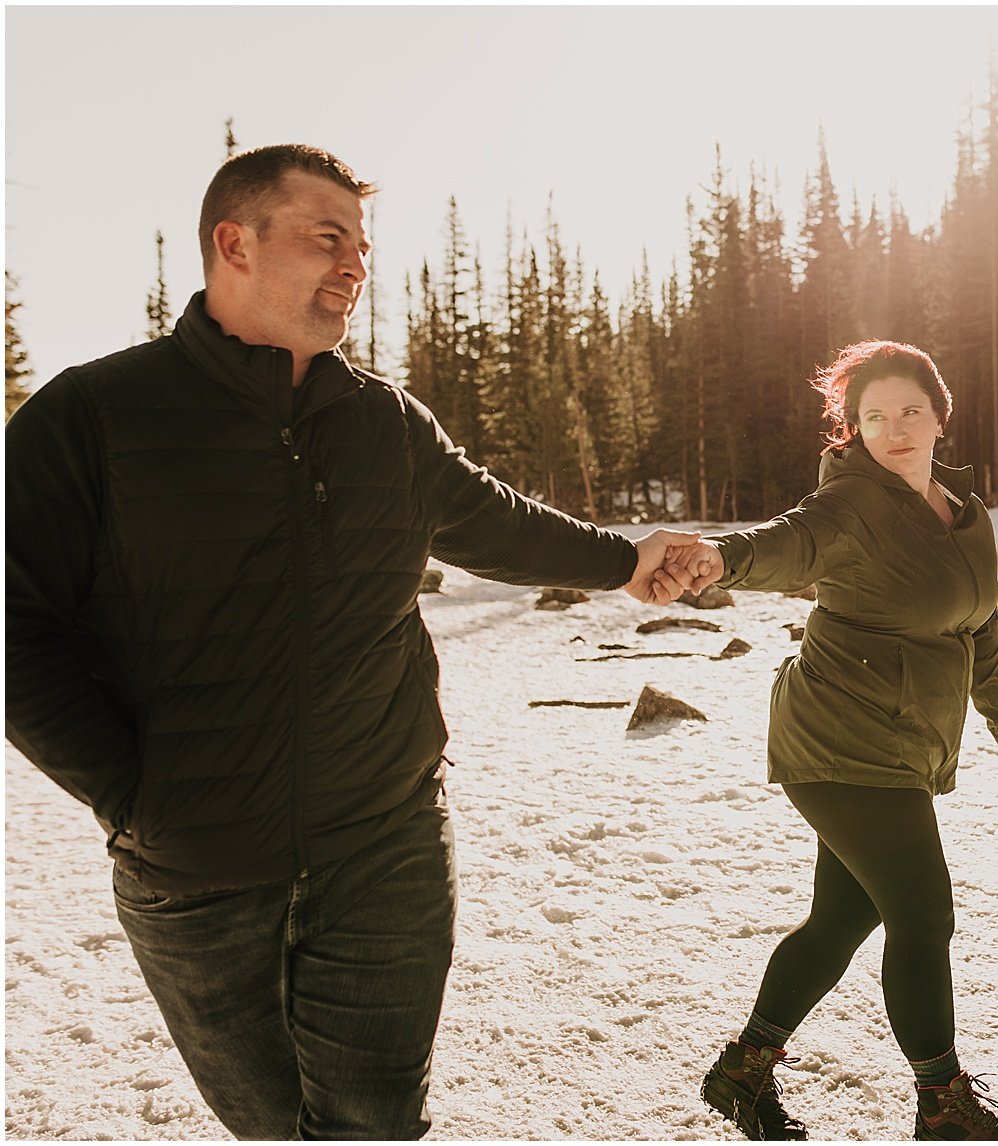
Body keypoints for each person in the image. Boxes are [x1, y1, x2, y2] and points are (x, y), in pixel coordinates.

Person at [4, 143, 697, 1139]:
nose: (354, 264)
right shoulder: (97, 414)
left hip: (387, 845)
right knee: (276, 1128)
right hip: (197, 872)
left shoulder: (384, 423)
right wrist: (132, 793)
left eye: (362, 246)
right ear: (233, 243)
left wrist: (626, 560)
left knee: (376, 1126)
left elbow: (492, 521)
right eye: (326, 238)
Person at [675, 341, 998, 1141]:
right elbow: (787, 543)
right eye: (873, 417)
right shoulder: (852, 506)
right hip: (839, 740)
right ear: (856, 432)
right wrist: (717, 558)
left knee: (841, 921)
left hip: (900, 742)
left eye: (909, 409)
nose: (894, 428)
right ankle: (943, 1107)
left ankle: (741, 1072)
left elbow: (980, 629)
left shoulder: (965, 515)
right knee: (923, 915)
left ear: (940, 415)